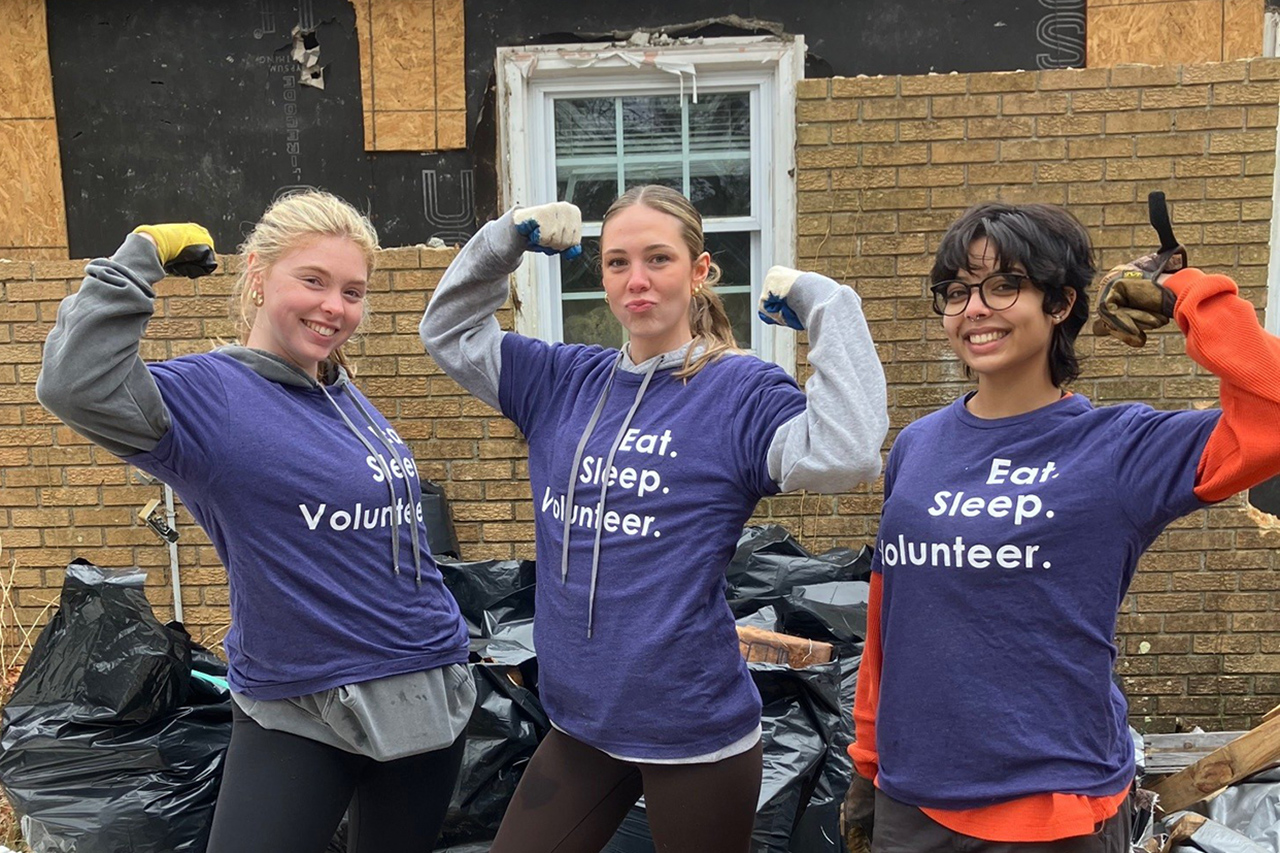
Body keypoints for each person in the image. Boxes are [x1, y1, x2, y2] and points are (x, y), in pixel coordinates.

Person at [420, 185, 889, 852]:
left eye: (659, 259)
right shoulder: (560, 380)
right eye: (617, 262)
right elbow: (448, 331)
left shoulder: (739, 393)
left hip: (693, 731)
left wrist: (826, 304)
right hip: (582, 722)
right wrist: (507, 240)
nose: (636, 280)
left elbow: (848, 452)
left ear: (698, 271)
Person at [37, 191, 475, 853]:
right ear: (258, 277)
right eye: (314, 280)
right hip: (301, 707)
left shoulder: (339, 391)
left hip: (423, 693)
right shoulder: (209, 395)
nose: (336, 306)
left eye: (353, 291)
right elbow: (73, 383)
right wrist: (136, 262)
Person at [843, 201, 1280, 852]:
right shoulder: (918, 445)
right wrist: (866, 764)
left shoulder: (1120, 448)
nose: (974, 308)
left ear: (1060, 303)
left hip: (1054, 813)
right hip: (914, 802)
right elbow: (890, 618)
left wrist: (1186, 296)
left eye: (1004, 285)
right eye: (956, 291)